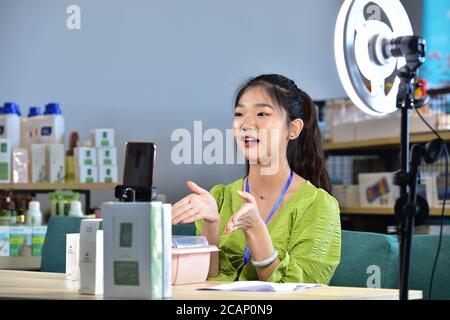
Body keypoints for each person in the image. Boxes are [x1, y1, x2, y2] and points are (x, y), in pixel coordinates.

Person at [172, 74, 341, 283]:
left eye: (262, 113)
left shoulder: (319, 206)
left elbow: (300, 293)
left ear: (293, 129)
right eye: (239, 114)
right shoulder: (220, 198)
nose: (246, 124)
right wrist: (211, 224)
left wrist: (256, 230)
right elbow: (207, 285)